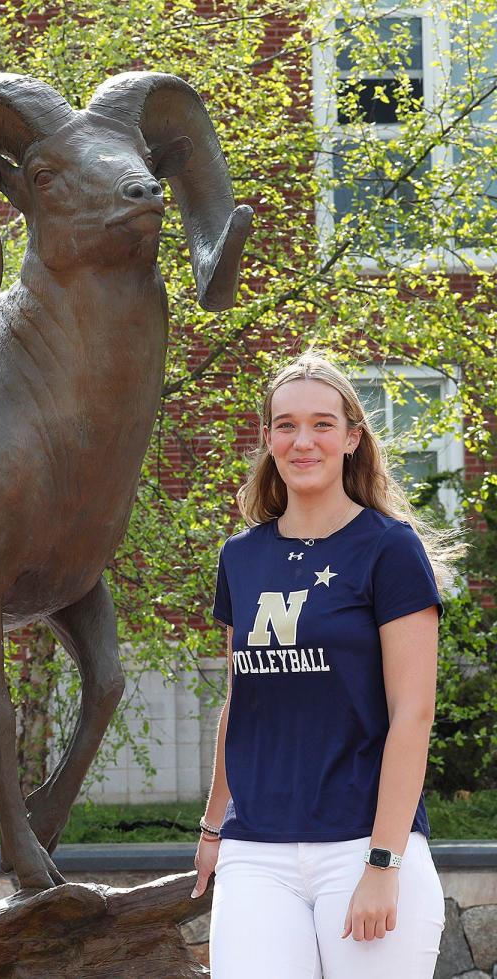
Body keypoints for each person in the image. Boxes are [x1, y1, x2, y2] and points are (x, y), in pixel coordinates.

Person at [191, 351, 461, 978]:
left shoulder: (389, 550)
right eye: (285, 425)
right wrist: (212, 831)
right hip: (256, 849)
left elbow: (413, 714)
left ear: (351, 438)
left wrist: (383, 862)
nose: (302, 440)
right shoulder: (241, 558)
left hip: (361, 844)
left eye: (321, 424)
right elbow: (242, 703)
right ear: (267, 439)